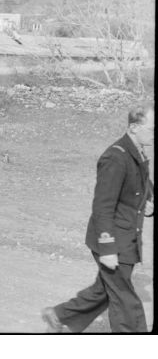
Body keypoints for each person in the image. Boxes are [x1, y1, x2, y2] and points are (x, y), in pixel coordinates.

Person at [42, 105, 154, 333]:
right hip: (114, 239)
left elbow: (141, 186)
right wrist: (108, 249)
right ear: (134, 127)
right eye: (152, 128)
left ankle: (59, 315)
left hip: (128, 235)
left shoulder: (137, 151)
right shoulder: (115, 157)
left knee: (104, 290)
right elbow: (102, 206)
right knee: (125, 300)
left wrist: (149, 201)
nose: (154, 133)